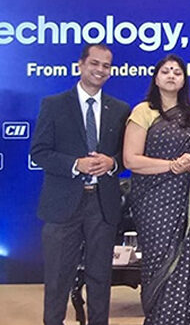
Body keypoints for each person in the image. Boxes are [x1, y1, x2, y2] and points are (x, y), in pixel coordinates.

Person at [31, 44, 130, 325]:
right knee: (57, 278)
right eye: (94, 63)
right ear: (80, 65)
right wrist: (76, 164)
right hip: (63, 205)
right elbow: (39, 153)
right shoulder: (54, 105)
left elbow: (126, 156)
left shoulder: (120, 109)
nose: (100, 70)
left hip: (102, 204)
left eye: (106, 66)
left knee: (100, 278)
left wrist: (112, 163)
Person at [122, 55, 190, 325]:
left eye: (177, 72)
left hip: (187, 199)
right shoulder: (143, 111)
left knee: (186, 265)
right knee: (159, 262)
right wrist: (171, 166)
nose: (171, 76)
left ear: (184, 80)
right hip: (153, 200)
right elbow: (130, 160)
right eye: (166, 71)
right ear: (156, 78)